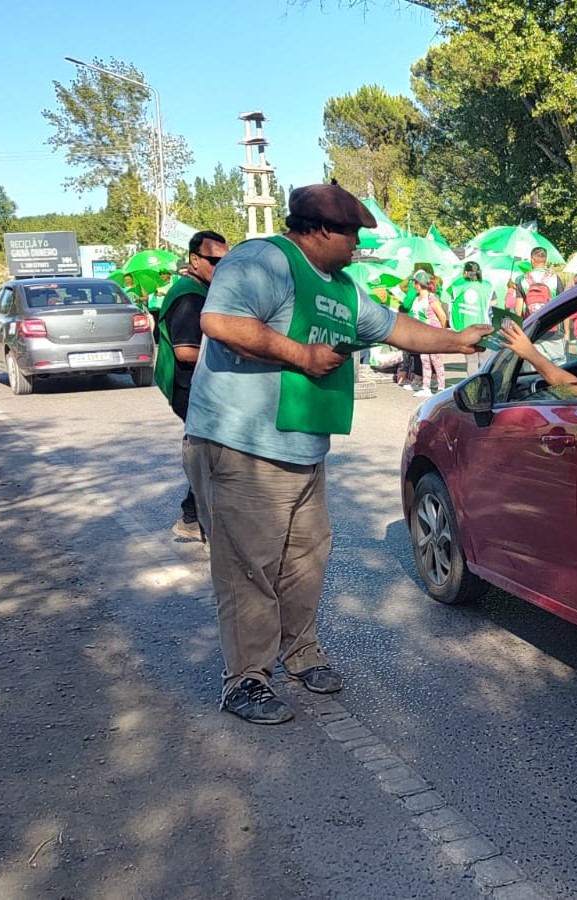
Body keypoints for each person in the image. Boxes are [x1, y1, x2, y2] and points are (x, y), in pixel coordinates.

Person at [183, 183, 492, 724]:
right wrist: (301, 354)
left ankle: (299, 652)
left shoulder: (341, 287)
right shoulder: (263, 260)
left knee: (306, 559)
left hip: (302, 445)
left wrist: (458, 340)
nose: (358, 246)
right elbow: (221, 322)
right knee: (248, 567)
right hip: (242, 445)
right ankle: (246, 680)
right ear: (321, 229)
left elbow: (395, 327)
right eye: (352, 235)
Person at [153, 229, 228, 541]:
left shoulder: (198, 289)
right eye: (213, 260)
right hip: (191, 387)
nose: (220, 266)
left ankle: (192, 518)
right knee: (213, 453)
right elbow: (185, 352)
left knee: (211, 452)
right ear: (194, 260)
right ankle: (196, 519)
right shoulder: (189, 297)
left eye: (226, 260)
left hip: (197, 385)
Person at [408, 270, 449, 396]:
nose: (413, 285)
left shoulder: (431, 298)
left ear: (418, 283)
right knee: (424, 359)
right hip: (422, 334)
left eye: (414, 282)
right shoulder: (417, 298)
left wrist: (441, 332)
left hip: (433, 334)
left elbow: (442, 316)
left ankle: (441, 387)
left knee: (436, 360)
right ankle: (426, 387)